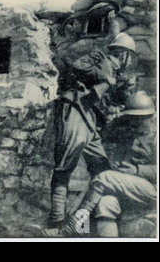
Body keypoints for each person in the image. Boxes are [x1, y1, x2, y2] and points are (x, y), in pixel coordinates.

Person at [48, 32, 138, 228]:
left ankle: (77, 222)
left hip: (90, 119)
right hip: (74, 110)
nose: (128, 62)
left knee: (103, 170)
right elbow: (79, 66)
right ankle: (56, 222)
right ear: (123, 55)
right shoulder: (99, 57)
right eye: (129, 57)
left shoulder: (116, 75)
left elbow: (109, 100)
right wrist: (105, 76)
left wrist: (122, 91)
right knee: (65, 164)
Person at [44, 91, 156, 237]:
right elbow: (105, 134)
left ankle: (69, 228)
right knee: (105, 203)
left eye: (137, 119)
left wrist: (136, 170)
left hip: (152, 189)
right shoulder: (131, 132)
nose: (132, 123)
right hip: (133, 189)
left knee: (104, 178)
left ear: (149, 116)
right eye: (130, 118)